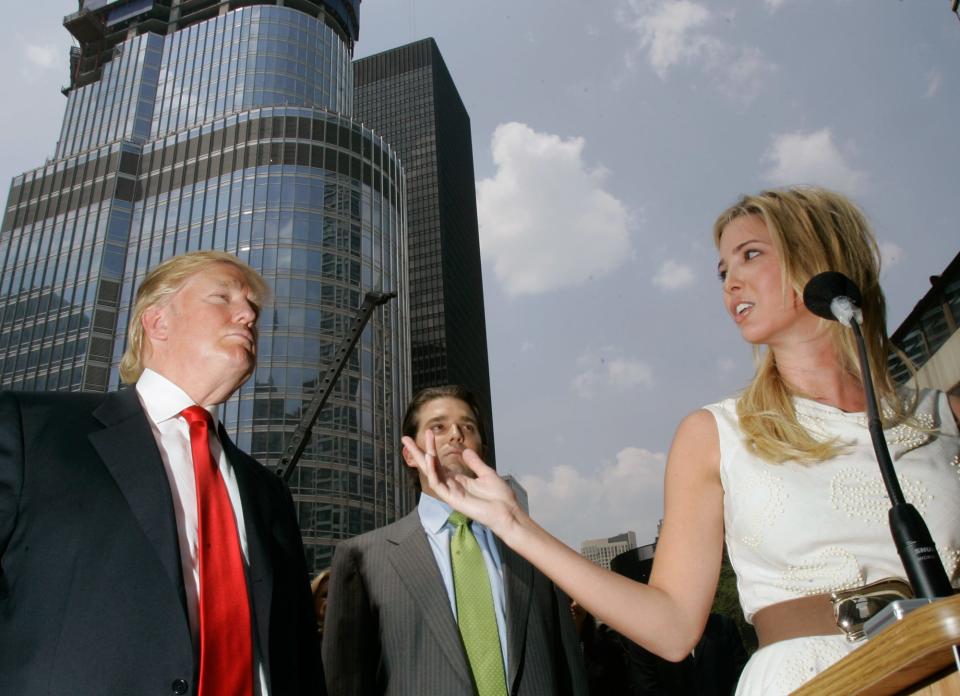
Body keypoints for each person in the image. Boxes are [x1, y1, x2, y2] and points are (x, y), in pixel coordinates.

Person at [405, 187, 960, 695]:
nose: (729, 284)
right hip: (811, 680)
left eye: (750, 255)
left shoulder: (944, 418)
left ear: (818, 256)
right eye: (722, 270)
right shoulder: (715, 434)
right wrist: (513, 524)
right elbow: (671, 629)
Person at [0, 251, 323, 695]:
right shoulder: (30, 431)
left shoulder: (268, 493)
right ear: (158, 322)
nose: (248, 315)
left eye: (252, 307)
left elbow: (299, 658)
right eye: (223, 296)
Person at [322, 385, 588, 696]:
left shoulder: (535, 550)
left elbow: (570, 671)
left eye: (467, 427)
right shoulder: (364, 558)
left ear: (483, 452)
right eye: (438, 427)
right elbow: (345, 682)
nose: (455, 434)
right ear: (410, 454)